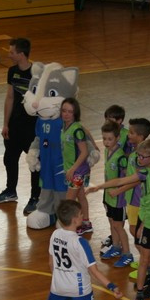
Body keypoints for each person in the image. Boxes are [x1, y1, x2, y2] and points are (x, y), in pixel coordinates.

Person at [87, 140, 150, 300]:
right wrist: (99, 186)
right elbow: (122, 180)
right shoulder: (146, 174)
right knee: (144, 260)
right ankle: (140, 294)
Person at [0, 37, 40, 216]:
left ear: (21, 54)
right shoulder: (12, 71)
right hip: (14, 125)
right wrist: (5, 123)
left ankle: (35, 197)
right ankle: (10, 191)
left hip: (32, 127)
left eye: (12, 52)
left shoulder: (37, 73)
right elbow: (10, 97)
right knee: (10, 158)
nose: (9, 55)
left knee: (34, 163)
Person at [112, 118, 150, 270]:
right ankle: (145, 264)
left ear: (140, 136)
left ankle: (147, 267)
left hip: (138, 201)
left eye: (131, 132)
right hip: (132, 200)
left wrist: (120, 190)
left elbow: (137, 180)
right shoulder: (135, 152)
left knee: (137, 235)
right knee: (135, 233)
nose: (128, 135)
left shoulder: (139, 157)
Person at [98, 121, 130, 264]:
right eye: (104, 138)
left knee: (118, 226)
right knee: (111, 222)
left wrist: (118, 191)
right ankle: (116, 247)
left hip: (119, 199)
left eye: (110, 139)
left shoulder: (121, 157)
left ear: (117, 138)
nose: (106, 142)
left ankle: (127, 253)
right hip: (108, 195)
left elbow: (127, 178)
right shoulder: (107, 151)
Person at [59, 98, 92, 234]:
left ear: (75, 113)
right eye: (64, 111)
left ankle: (72, 227)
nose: (66, 114)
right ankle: (86, 223)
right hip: (73, 170)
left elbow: (84, 152)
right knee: (81, 196)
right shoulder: (65, 127)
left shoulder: (76, 130)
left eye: (70, 112)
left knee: (69, 201)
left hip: (78, 171)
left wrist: (72, 169)